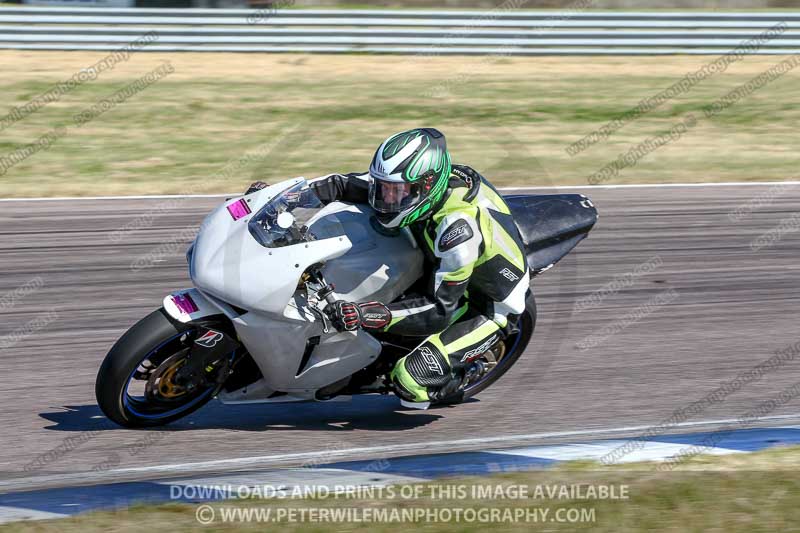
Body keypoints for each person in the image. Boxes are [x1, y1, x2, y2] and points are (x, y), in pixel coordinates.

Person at [252, 128, 529, 409]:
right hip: (435, 262)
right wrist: (281, 200)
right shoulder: (403, 186)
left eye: (397, 193)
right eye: (383, 188)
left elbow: (439, 310)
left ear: (428, 186)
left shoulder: (457, 233)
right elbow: (338, 184)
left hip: (484, 303)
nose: (386, 200)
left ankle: (455, 376)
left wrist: (367, 314)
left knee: (410, 382)